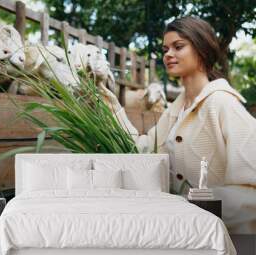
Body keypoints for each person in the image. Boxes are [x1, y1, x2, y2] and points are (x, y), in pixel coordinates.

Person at [101, 16, 256, 233]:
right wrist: (111, 107)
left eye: (178, 47)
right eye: (165, 49)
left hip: (228, 240)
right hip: (183, 235)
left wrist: (188, 206)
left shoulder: (222, 104)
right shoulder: (176, 109)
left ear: (201, 49)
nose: (168, 55)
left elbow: (250, 192)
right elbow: (144, 149)